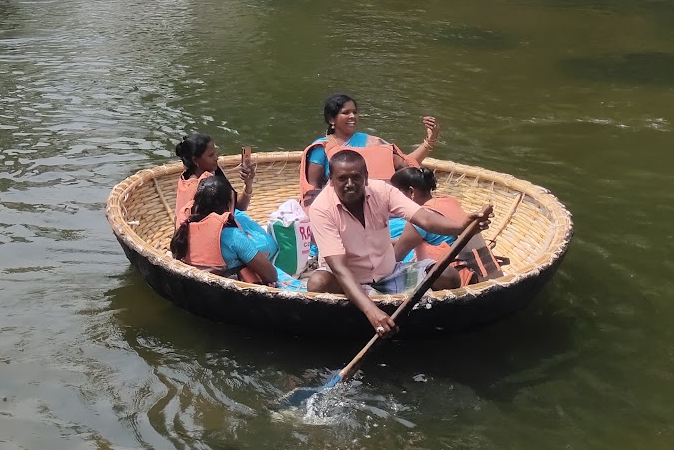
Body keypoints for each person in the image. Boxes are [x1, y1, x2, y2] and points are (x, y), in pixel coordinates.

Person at [305, 149, 489, 333]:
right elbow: (339, 268)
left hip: (389, 274)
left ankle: (425, 323)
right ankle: (345, 325)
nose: (350, 184)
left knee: (447, 276)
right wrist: (371, 311)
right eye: (342, 179)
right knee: (318, 282)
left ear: (366, 177)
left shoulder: (382, 191)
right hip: (348, 282)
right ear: (331, 180)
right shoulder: (322, 209)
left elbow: (424, 218)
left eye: (356, 177)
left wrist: (462, 227)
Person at [299, 93, 439, 206]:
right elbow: (313, 189)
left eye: (354, 112)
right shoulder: (321, 148)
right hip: (338, 207)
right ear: (331, 120)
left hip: (379, 205)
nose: (352, 116)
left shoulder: (372, 142)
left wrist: (430, 140)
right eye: (346, 112)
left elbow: (408, 166)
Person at [168, 172, 299, 287]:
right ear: (228, 205)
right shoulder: (232, 236)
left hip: (196, 285)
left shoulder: (185, 225)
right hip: (223, 291)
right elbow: (271, 275)